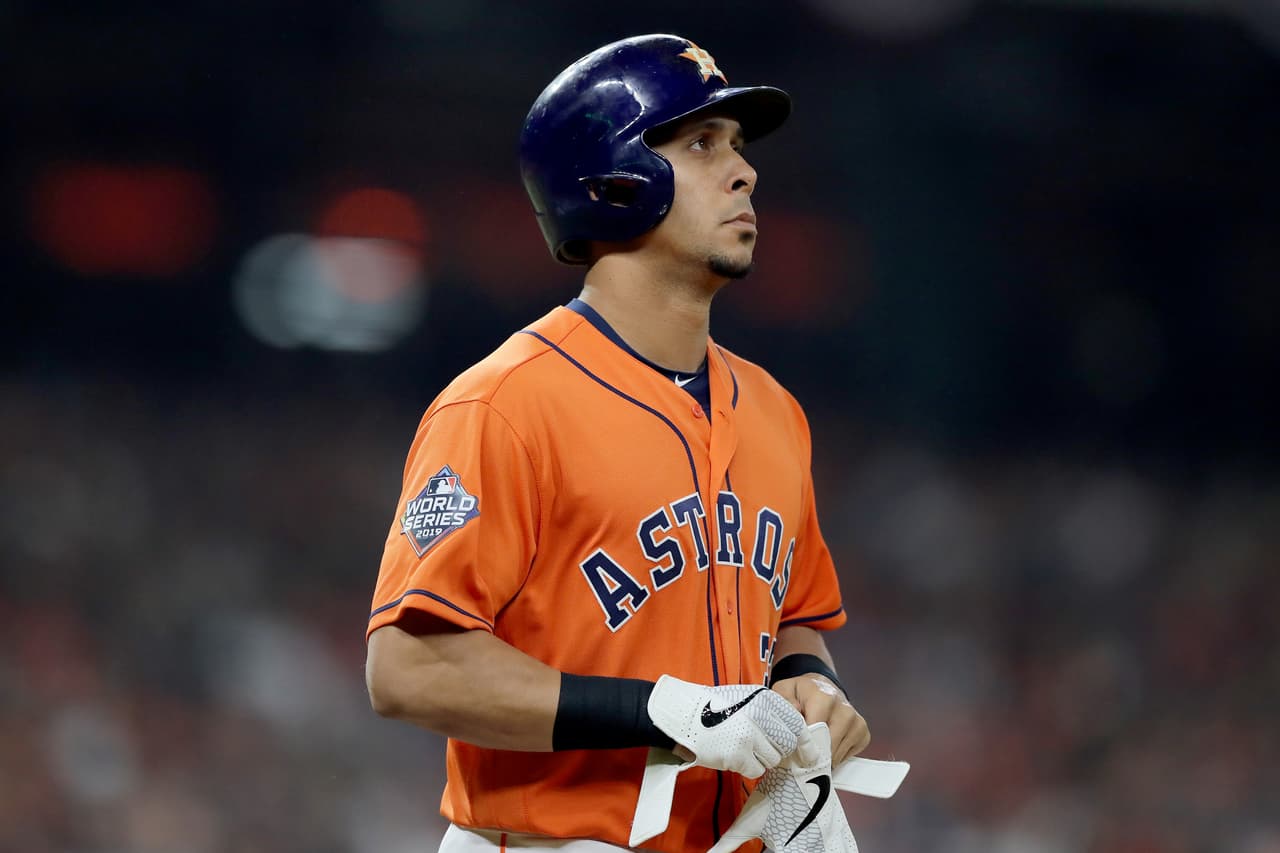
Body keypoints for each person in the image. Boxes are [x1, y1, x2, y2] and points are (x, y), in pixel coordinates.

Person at [365, 33, 870, 853]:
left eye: (738, 147)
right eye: (703, 143)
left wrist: (811, 687)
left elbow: (795, 622)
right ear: (612, 180)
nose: (744, 172)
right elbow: (408, 669)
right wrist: (658, 713)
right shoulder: (503, 405)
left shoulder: (776, 410)